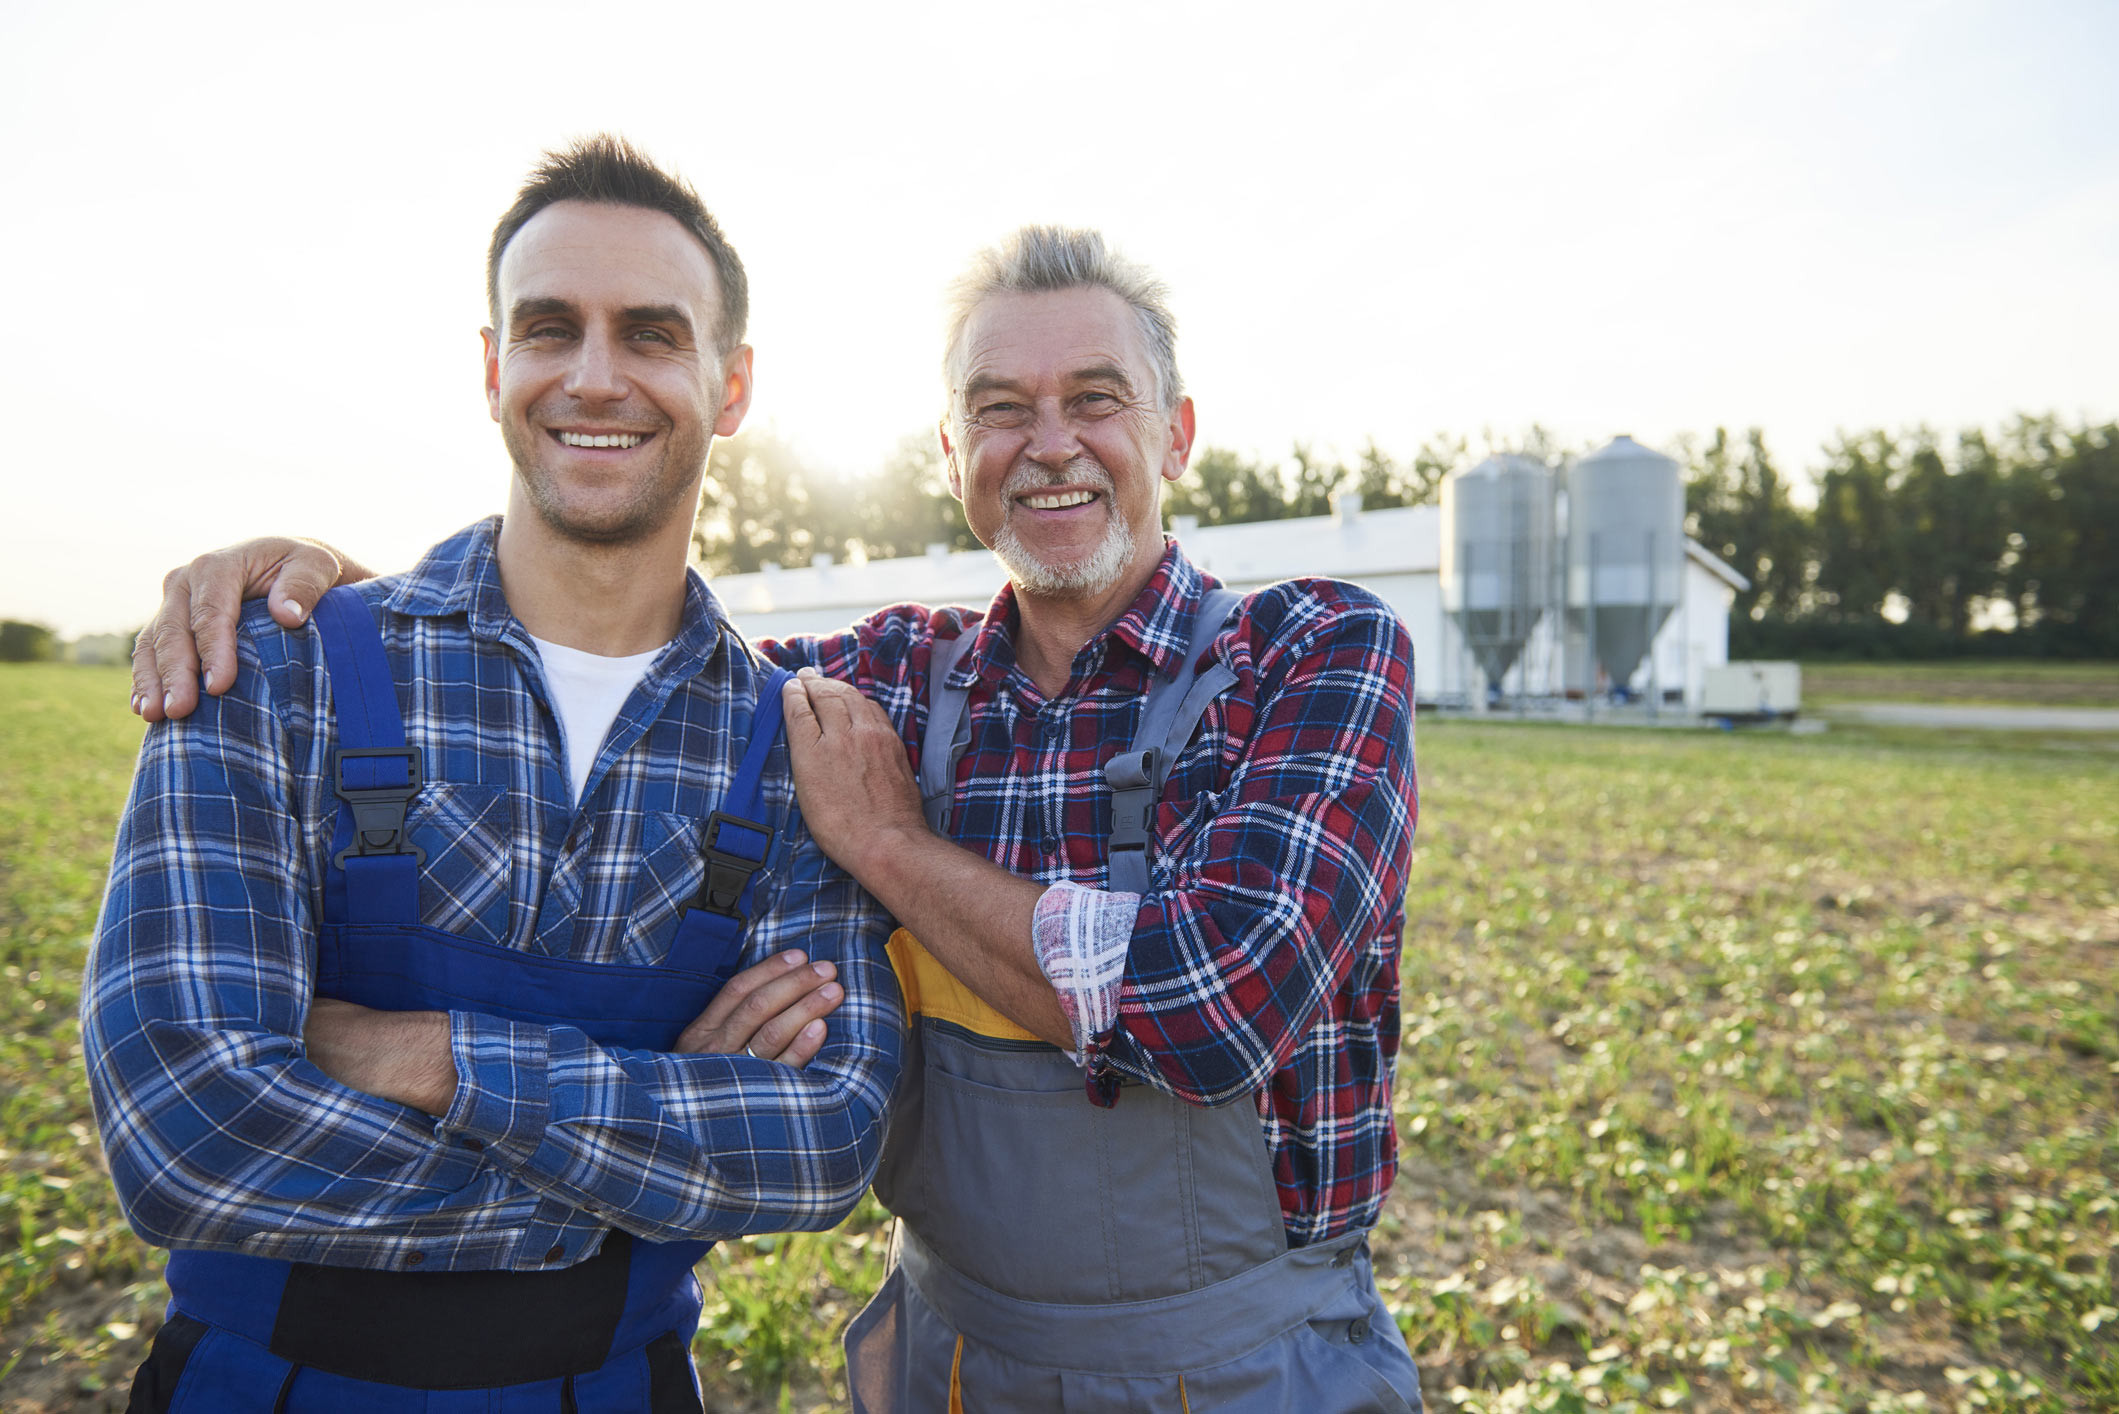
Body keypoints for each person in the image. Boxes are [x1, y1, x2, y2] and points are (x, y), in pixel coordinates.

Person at [133, 228, 1422, 1410]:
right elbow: (619, 638)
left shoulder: (1307, 656)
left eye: (1095, 399)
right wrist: (369, 612)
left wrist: (890, 848)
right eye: (997, 410)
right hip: (952, 1360)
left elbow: (1208, 1012)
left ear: (1177, 431)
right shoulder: (883, 686)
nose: (1048, 443)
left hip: (1248, 1367)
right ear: (946, 452)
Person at [84, 135, 901, 1412]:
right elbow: (183, 1130)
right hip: (263, 1386)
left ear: (731, 385)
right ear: (490, 366)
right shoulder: (270, 667)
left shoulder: (795, 751)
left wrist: (426, 1059)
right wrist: (631, 1176)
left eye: (648, 333)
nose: (592, 376)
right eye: (546, 328)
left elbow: (819, 1144)